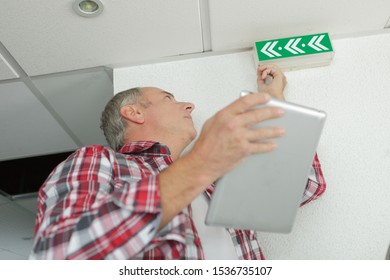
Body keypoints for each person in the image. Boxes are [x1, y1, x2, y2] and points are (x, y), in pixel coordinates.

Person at [29, 64, 326, 259]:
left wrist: (274, 101)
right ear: (134, 113)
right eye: (169, 98)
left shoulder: (215, 183)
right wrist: (200, 162)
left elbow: (306, 186)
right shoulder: (97, 161)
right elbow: (59, 255)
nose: (189, 105)